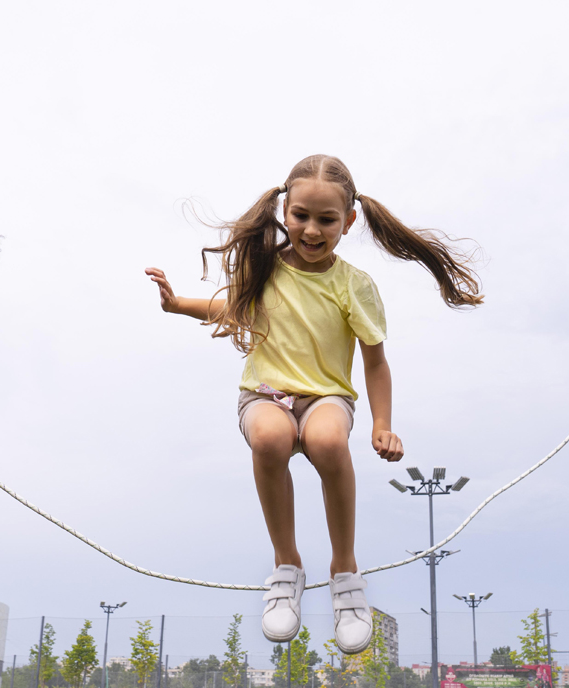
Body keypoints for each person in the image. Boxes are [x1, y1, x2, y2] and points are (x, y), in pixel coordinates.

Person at [147, 154, 481, 655]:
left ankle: (345, 573)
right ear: (284, 211)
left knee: (326, 441)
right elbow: (232, 307)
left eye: (326, 219)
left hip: (327, 397)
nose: (311, 229)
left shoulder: (354, 284)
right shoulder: (264, 268)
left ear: (349, 221)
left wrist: (383, 423)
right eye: (301, 215)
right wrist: (177, 305)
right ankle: (287, 568)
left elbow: (375, 362)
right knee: (269, 437)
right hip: (265, 394)